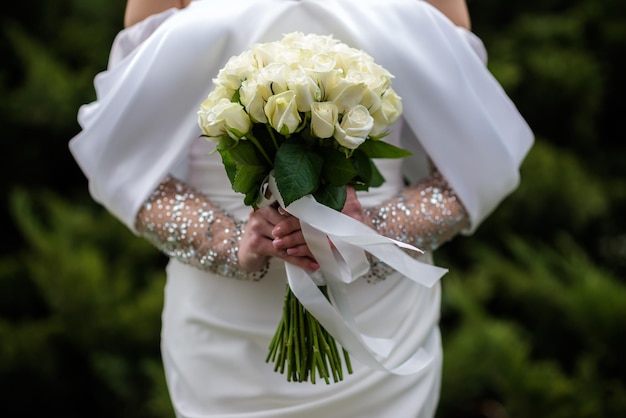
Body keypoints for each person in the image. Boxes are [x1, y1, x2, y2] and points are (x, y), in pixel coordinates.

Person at [69, 0, 533, 417]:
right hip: (227, 341)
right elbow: (123, 163)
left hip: (381, 327)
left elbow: (480, 160)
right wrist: (234, 244)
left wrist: (375, 234)